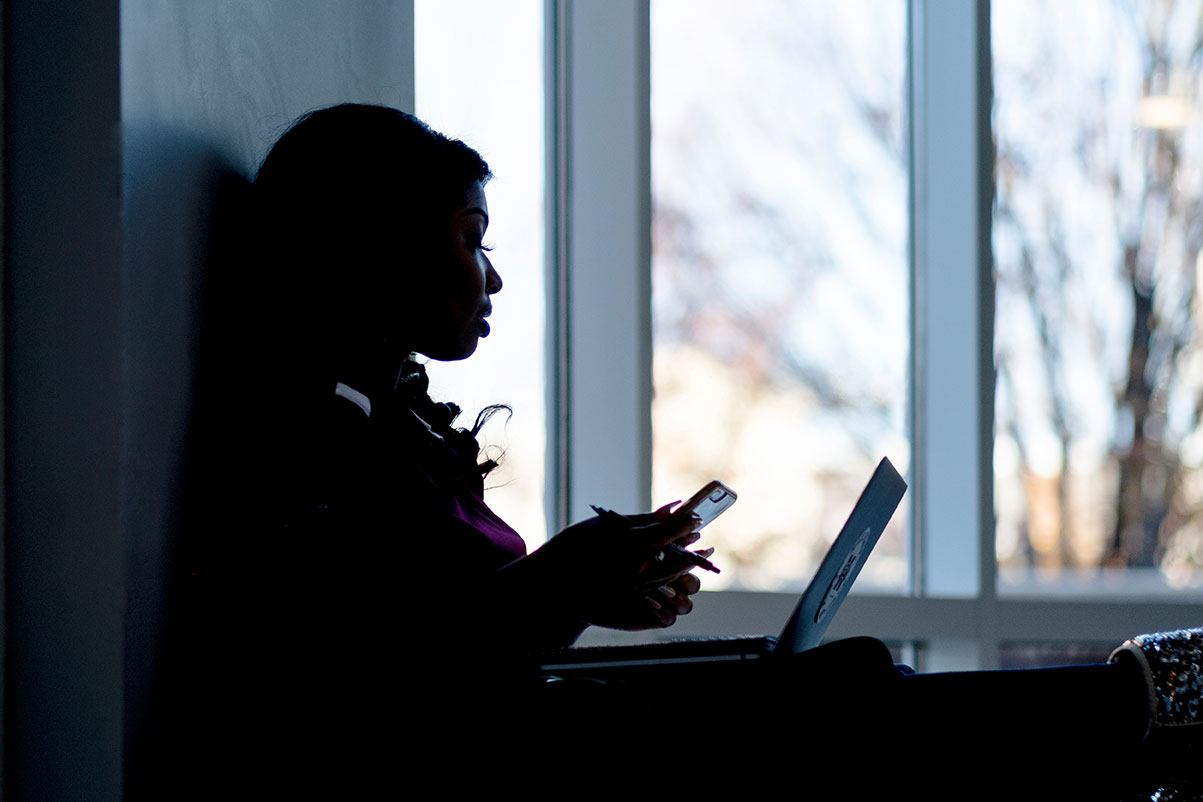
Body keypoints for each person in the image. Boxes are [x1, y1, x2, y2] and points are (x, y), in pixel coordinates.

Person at [169, 103, 1199, 796]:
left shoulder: (379, 425)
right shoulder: (300, 440)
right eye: (470, 235)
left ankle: (1144, 711)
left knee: (848, 679)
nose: (491, 276)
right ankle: (1148, 707)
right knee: (847, 697)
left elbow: (440, 639)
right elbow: (364, 680)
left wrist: (582, 585)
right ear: (371, 240)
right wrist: (565, 578)